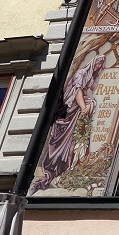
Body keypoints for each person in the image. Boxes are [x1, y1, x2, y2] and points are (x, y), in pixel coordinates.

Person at [31, 55, 106, 193]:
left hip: (76, 112)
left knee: (73, 142)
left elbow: (84, 93)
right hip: (69, 111)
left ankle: (65, 169)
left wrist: (88, 103)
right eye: (97, 64)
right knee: (60, 141)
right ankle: (52, 169)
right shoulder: (81, 74)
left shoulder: (89, 76)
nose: (98, 67)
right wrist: (84, 107)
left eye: (101, 65)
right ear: (93, 63)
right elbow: (77, 91)